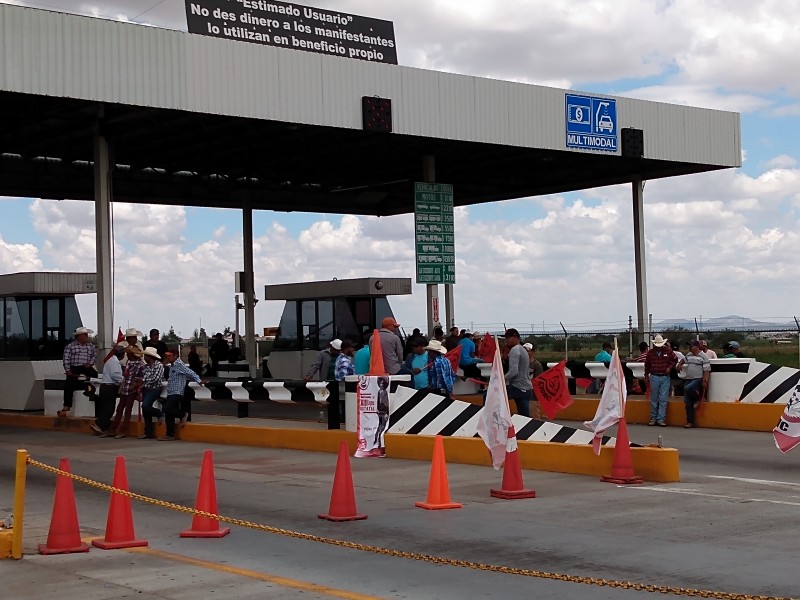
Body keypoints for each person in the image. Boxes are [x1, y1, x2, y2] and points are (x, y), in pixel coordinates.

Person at [101, 346, 145, 439]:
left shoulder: (140, 364)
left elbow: (142, 378)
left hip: (131, 389)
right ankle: (112, 429)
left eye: (128, 353)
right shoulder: (129, 362)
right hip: (125, 387)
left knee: (127, 411)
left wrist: (135, 385)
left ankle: (122, 430)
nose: (126, 355)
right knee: (119, 409)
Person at [160, 351, 204, 441]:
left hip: (177, 392)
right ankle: (170, 434)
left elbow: (190, 372)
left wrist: (199, 380)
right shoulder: (171, 365)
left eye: (169, 356)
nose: (167, 358)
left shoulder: (179, 364)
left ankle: (183, 414)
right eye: (166, 356)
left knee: (166, 408)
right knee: (169, 414)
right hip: (171, 391)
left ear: (175, 356)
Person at [59, 326, 98, 418]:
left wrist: (90, 363)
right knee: (68, 385)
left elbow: (95, 356)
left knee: (95, 377)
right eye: (85, 334)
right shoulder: (70, 346)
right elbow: (66, 359)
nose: (87, 336)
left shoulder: (91, 346)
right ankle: (67, 405)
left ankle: (91, 393)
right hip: (74, 367)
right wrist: (68, 370)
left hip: (86, 366)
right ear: (79, 336)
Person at [644, 334, 678, 427]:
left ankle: (660, 418)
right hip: (655, 376)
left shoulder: (667, 350)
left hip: (664, 376)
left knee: (663, 399)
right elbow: (647, 365)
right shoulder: (650, 353)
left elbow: (675, 359)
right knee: (654, 398)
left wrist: (670, 367)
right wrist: (646, 376)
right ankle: (654, 418)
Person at [91, 345, 123, 435]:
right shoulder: (114, 362)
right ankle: (99, 424)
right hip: (109, 387)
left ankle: (103, 426)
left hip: (105, 386)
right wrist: (123, 380)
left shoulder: (111, 360)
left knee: (106, 408)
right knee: (109, 409)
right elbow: (115, 375)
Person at [678, 340, 710, 428]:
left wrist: (704, 381)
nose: (690, 348)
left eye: (691, 346)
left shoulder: (703, 356)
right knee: (688, 403)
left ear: (696, 347)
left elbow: (706, 370)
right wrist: (679, 364)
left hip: (697, 379)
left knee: (688, 388)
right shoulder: (689, 355)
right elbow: (683, 360)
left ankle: (698, 398)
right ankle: (690, 421)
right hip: (688, 378)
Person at [503, 328, 533, 418]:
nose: (507, 340)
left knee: (490, 396)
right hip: (527, 388)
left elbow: (513, 371)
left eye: (508, 337)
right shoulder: (522, 349)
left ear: (515, 337)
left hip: (518, 387)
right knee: (524, 416)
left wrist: (501, 379)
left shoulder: (515, 350)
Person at [139, 346, 165, 440]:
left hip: (155, 389)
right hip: (146, 389)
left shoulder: (159, 365)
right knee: (145, 412)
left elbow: (156, 379)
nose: (144, 357)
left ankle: (159, 413)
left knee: (145, 406)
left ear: (149, 357)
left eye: (145, 356)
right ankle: (148, 432)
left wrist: (143, 380)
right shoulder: (146, 367)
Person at [524, 342, 544, 419]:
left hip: (533, 394)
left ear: (532, 352)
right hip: (523, 392)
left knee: (534, 414)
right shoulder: (521, 363)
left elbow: (539, 379)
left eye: (528, 351)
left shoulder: (536, 364)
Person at [373, 376, 390, 452]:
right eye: (380, 383)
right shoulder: (379, 392)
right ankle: (376, 442)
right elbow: (377, 401)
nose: (381, 384)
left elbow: (386, 402)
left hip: (384, 412)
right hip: (380, 411)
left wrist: (386, 412)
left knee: (382, 427)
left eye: (383, 383)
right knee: (378, 427)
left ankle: (379, 443)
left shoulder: (385, 392)